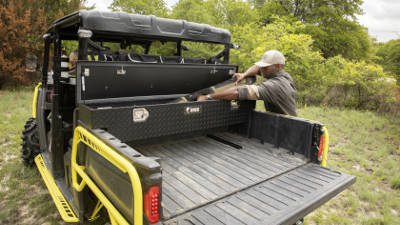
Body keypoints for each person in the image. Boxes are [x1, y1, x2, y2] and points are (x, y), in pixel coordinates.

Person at [197, 50, 297, 116]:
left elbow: (237, 92)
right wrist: (244, 75)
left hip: (288, 127)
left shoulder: (276, 85)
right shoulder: (281, 74)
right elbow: (257, 68)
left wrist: (208, 97)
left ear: (278, 66)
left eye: (265, 67)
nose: (262, 70)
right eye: (262, 66)